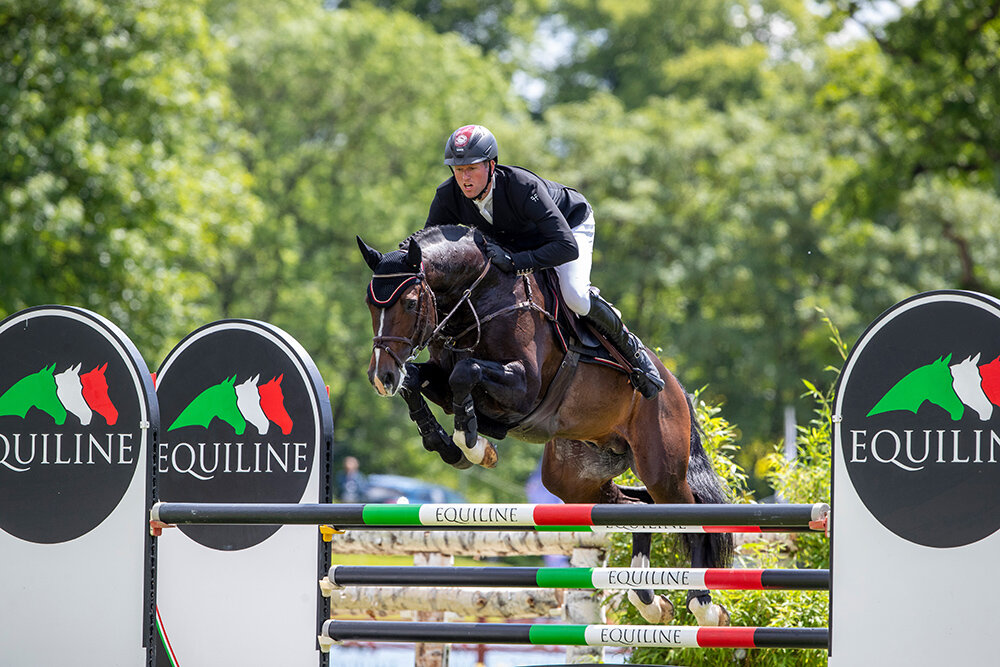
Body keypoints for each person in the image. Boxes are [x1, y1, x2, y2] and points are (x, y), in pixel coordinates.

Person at [424, 124, 664, 398]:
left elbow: (565, 247)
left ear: (491, 165)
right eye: (458, 170)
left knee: (574, 296)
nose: (464, 178)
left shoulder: (522, 187)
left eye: (472, 169)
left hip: (568, 229)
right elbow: (428, 250)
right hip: (519, 240)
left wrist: (516, 262)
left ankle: (632, 350)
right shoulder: (447, 196)